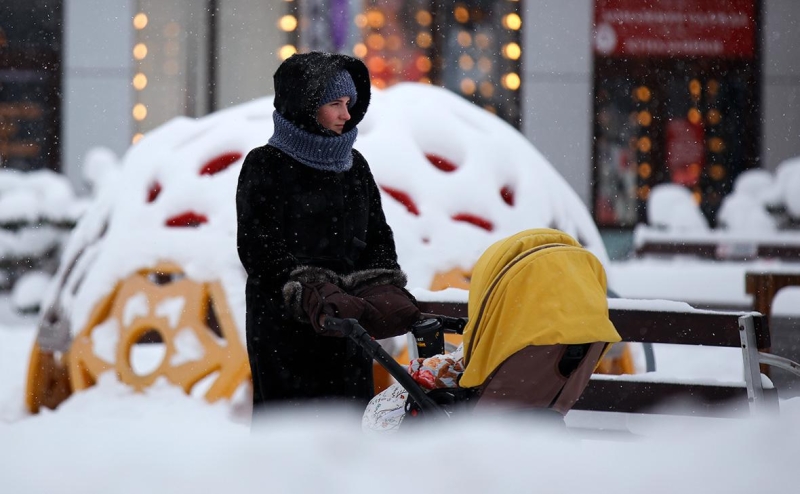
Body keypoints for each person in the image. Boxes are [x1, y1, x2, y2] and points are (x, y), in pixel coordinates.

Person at [236, 51, 420, 414]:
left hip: (347, 322)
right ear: (305, 106)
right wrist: (308, 288)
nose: (346, 115)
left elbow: (378, 237)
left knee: (348, 429)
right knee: (291, 433)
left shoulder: (355, 166)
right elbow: (257, 246)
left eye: (349, 103)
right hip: (284, 328)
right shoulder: (265, 164)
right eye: (335, 103)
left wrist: (380, 284)